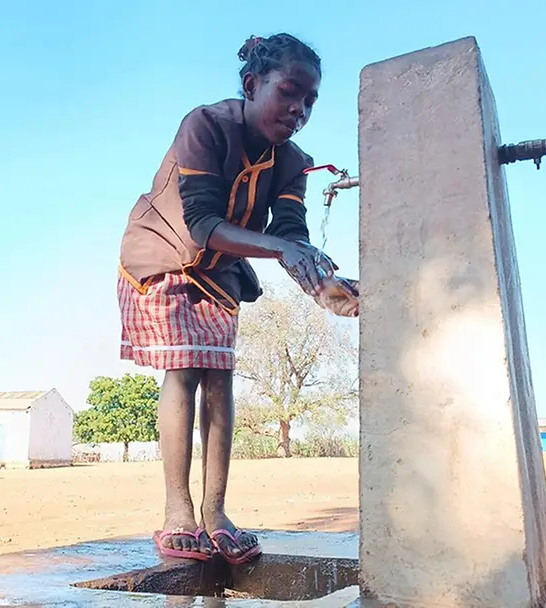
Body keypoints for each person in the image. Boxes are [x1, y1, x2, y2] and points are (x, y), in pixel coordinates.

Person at [117, 33, 353, 565]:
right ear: (252, 84)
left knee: (219, 374)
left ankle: (216, 512)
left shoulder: (293, 163)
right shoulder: (204, 126)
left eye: (311, 100)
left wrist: (332, 293)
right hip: (164, 257)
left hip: (220, 271)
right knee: (185, 368)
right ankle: (179, 512)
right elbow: (201, 223)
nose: (299, 109)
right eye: (290, 92)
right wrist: (284, 249)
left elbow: (291, 235)